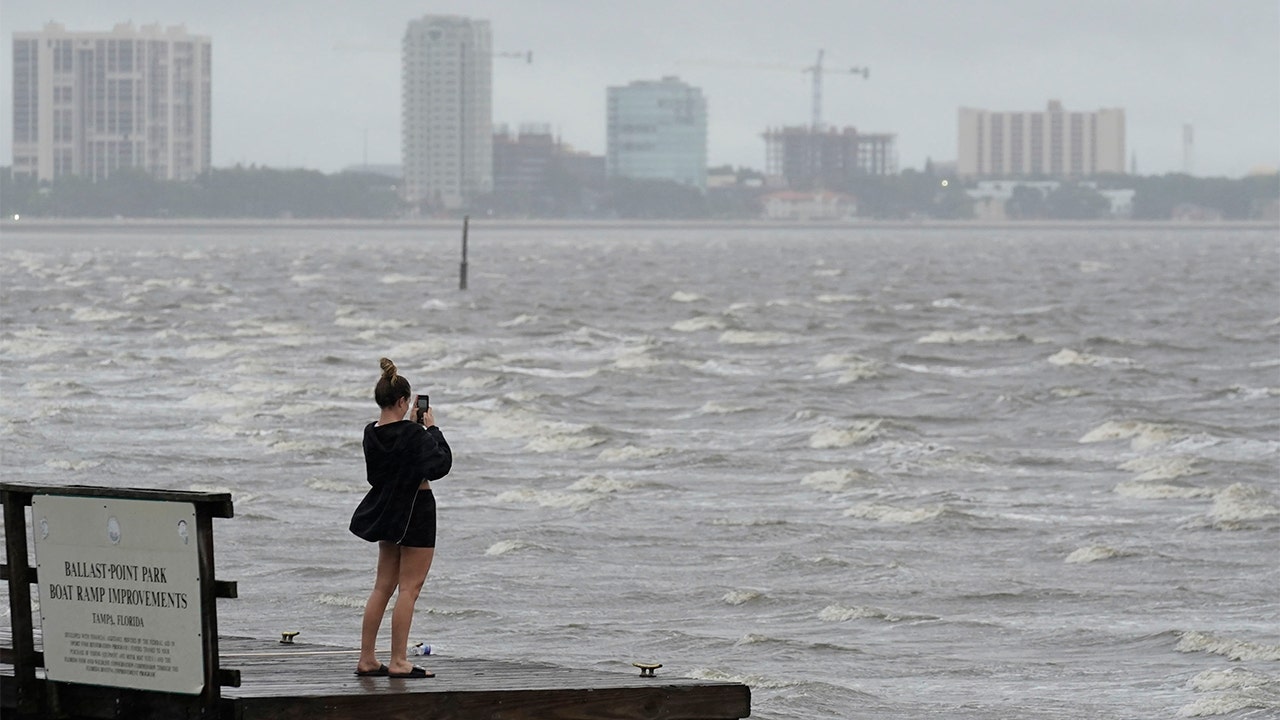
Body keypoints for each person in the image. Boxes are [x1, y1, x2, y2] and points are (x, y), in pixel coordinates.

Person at [350, 357, 452, 679]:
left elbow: (374, 476)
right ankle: (398, 661)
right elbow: (441, 465)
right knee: (410, 588)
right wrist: (431, 428)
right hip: (417, 509)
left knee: (383, 586)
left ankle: (367, 658)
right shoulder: (413, 433)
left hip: (387, 510)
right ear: (403, 401)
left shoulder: (371, 433)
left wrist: (415, 431)